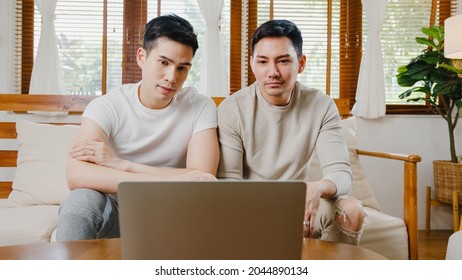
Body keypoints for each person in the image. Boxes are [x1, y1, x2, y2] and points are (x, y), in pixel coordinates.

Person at [57, 14, 219, 241]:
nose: (171, 78)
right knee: (79, 202)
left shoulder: (201, 106)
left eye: (182, 68)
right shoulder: (108, 106)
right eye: (163, 62)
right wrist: (171, 179)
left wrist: (123, 165)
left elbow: (201, 178)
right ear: (142, 57)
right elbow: (77, 174)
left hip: (178, 210)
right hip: (119, 212)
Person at [217, 19, 364, 245]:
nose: (272, 72)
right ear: (252, 63)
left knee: (352, 210)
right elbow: (229, 184)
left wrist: (316, 188)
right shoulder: (232, 109)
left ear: (301, 63)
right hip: (248, 208)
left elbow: (341, 174)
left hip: (299, 207)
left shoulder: (321, 105)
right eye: (263, 61)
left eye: (283, 61)